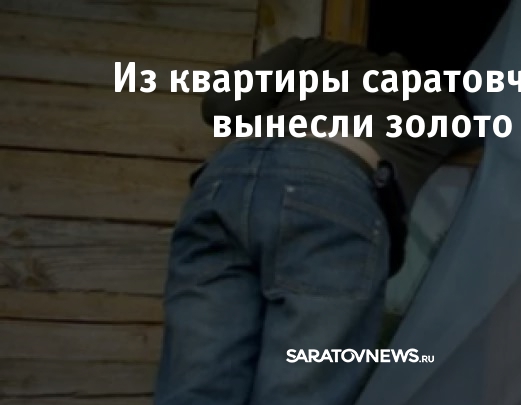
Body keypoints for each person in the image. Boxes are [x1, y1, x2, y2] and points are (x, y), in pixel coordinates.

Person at [154, 36, 470, 405]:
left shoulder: (312, 52)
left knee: (197, 382)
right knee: (302, 388)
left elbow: (224, 103)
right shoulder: (443, 105)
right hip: (331, 187)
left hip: (226, 179)